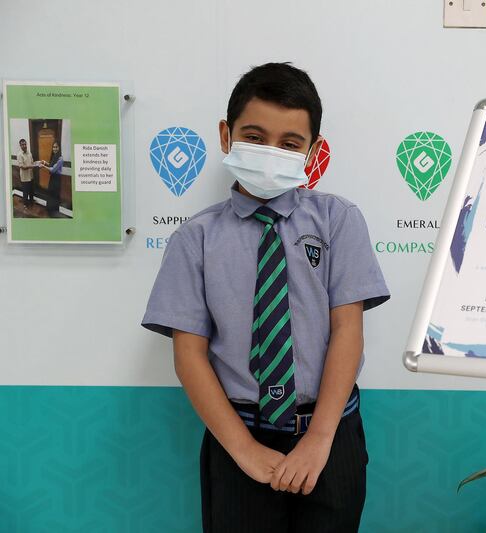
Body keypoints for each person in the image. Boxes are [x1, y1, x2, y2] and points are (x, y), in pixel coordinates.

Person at [141, 62, 390, 533]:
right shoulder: (195, 239)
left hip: (330, 430)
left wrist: (319, 438)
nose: (270, 152)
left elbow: (347, 329)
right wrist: (243, 448)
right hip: (237, 433)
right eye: (254, 137)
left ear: (313, 151)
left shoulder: (338, 221)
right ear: (225, 134)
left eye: (290, 143)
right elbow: (188, 354)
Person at [38, 142, 64, 216]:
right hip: (52, 178)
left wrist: (43, 166)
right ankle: (50, 210)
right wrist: (45, 162)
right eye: (53, 147)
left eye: (56, 147)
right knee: (50, 194)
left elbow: (53, 170)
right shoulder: (55, 156)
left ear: (59, 148)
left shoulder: (60, 159)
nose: (55, 149)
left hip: (56, 180)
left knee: (54, 195)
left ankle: (54, 212)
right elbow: (51, 165)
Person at [16, 139, 36, 209]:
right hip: (25, 178)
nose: (24, 146)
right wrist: (32, 166)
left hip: (31, 176)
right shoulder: (19, 155)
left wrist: (38, 164)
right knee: (26, 192)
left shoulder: (29, 153)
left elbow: (32, 163)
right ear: (20, 146)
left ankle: (31, 201)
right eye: (22, 145)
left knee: (31, 191)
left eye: (25, 144)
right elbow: (22, 167)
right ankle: (25, 204)